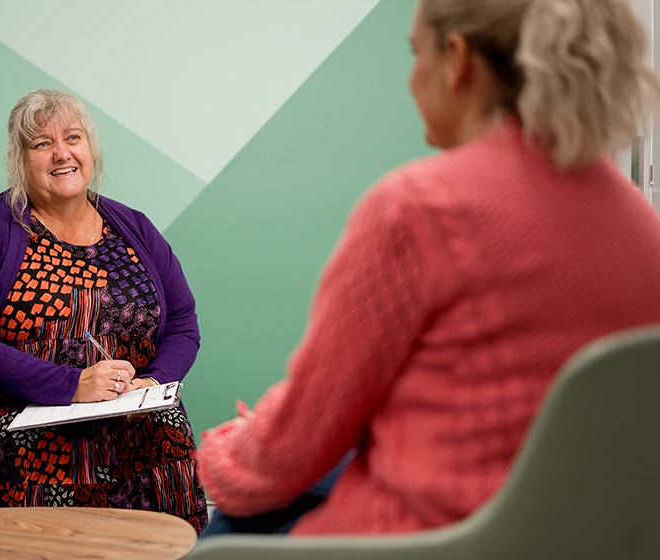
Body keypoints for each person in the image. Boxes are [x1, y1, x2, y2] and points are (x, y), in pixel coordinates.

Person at [197, 0, 660, 536]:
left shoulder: (418, 209)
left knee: (233, 521)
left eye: (416, 53)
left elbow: (289, 449)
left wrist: (220, 453)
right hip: (579, 535)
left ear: (457, 60)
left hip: (430, 539)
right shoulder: (639, 223)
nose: (412, 79)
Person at [0, 88, 208, 531]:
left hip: (126, 409)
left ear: (90, 148)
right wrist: (70, 385)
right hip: (17, 414)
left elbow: (182, 323)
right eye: (42, 143)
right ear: (19, 159)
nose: (62, 154)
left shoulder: (135, 228)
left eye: (73, 137)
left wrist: (151, 384)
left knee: (172, 443)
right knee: (73, 462)